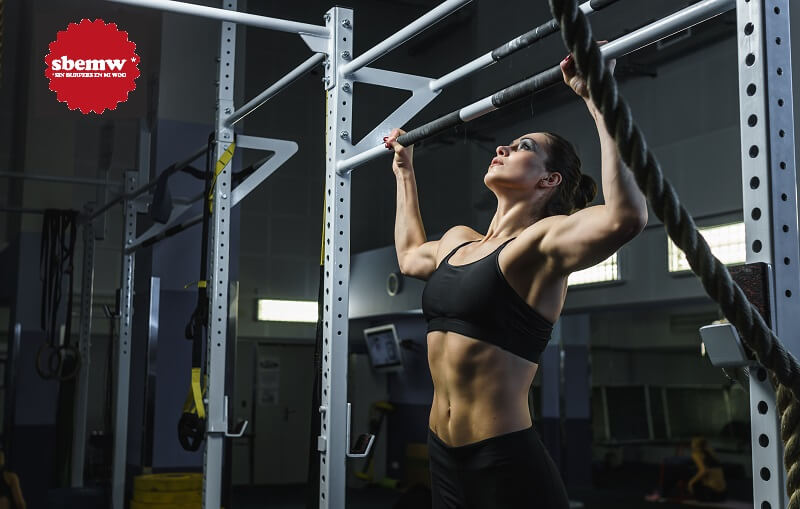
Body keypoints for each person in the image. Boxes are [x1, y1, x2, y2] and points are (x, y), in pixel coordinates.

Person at [387, 48, 648, 509]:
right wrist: (405, 171)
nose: (502, 147)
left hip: (502, 459)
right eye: (507, 144)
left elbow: (624, 218)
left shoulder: (538, 245)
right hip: (441, 454)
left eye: (524, 146)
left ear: (548, 180)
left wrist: (599, 100)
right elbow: (409, 256)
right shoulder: (459, 241)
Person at [688, 437, 727, 502]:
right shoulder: (711, 453)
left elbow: (703, 471)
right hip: (723, 494)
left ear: (695, 445)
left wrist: (690, 483)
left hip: (711, 493)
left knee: (691, 477)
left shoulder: (696, 454)